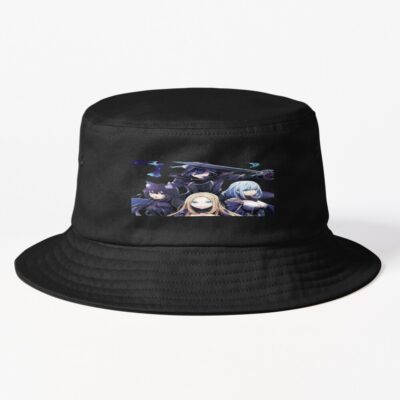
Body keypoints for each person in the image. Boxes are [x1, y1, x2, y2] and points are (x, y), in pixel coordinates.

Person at [170, 192, 238, 217]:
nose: (201, 204)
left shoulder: (222, 212)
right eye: (195, 202)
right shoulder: (184, 212)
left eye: (208, 202)